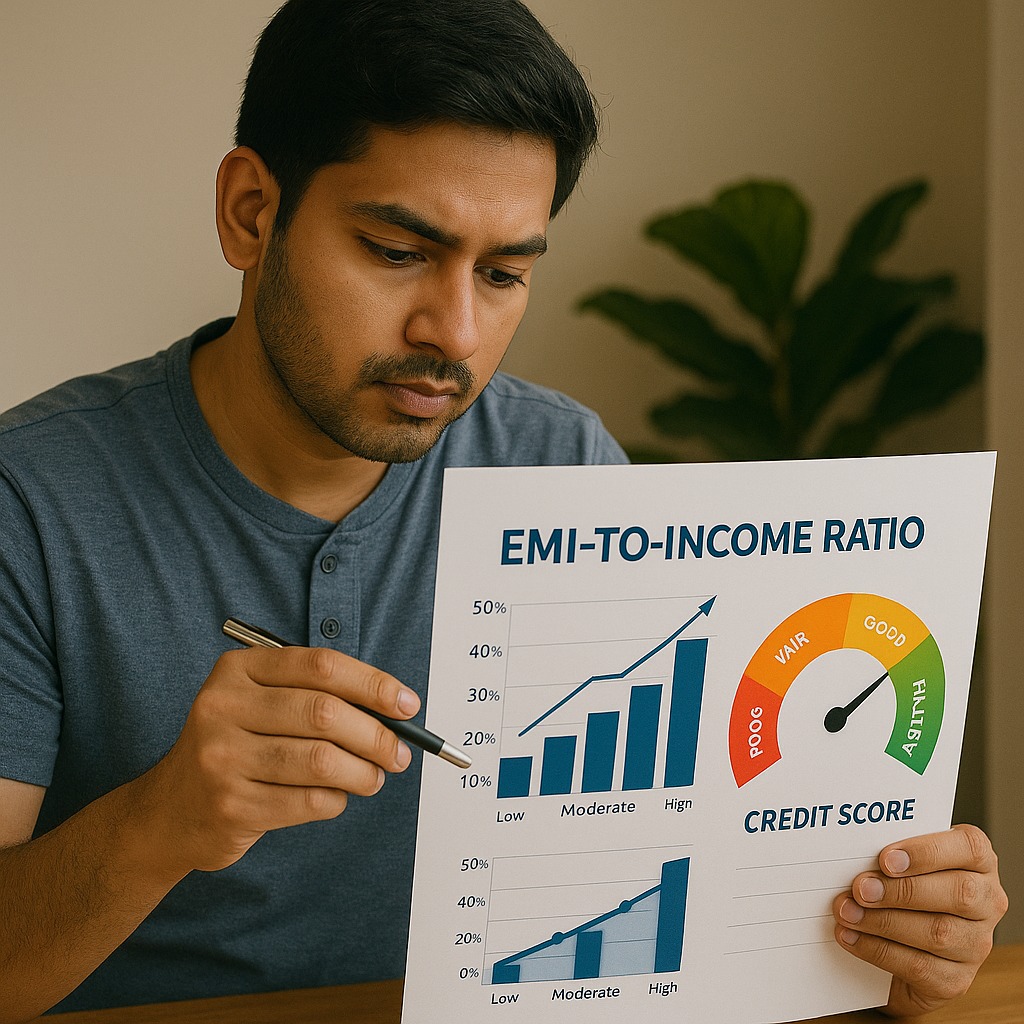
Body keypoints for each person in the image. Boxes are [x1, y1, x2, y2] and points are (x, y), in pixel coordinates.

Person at [0, 0, 1006, 1019]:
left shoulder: (561, 463)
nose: (456, 331)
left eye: (505, 272)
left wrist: (896, 944)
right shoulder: (30, 501)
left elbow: (684, 878)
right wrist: (155, 825)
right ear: (251, 212)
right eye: (396, 250)